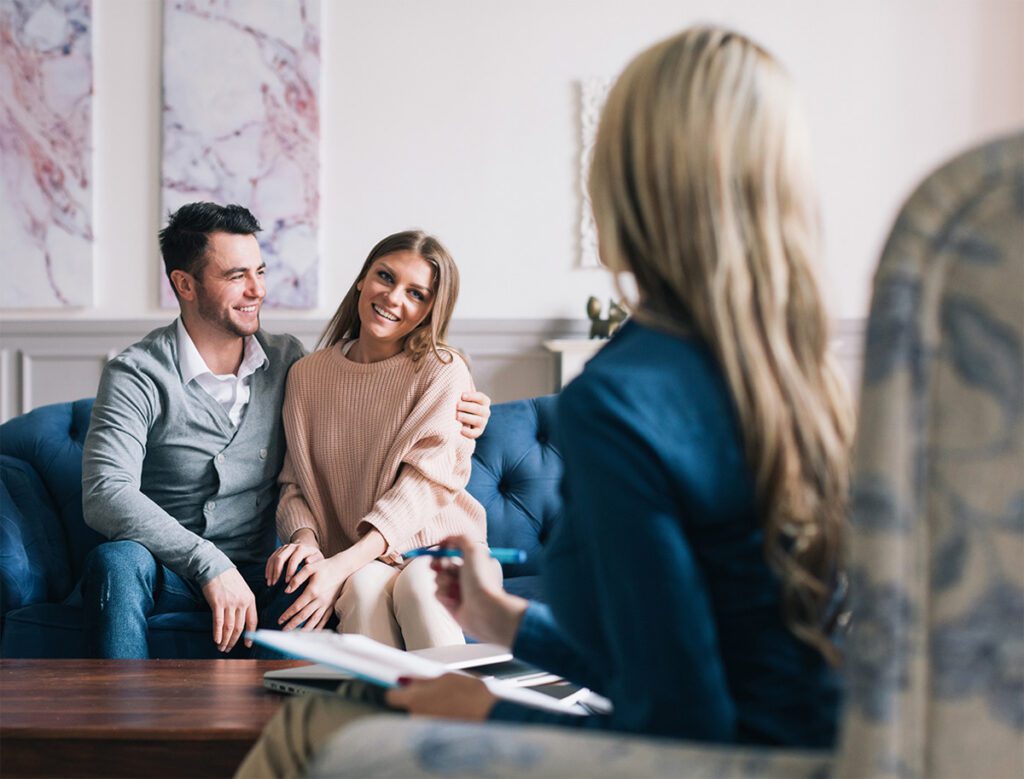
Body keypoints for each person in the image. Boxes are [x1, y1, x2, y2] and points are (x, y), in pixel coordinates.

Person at [237, 24, 854, 775]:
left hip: (714, 759)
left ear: (624, 186)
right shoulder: (799, 372)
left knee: (312, 728)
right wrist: (499, 618)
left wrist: (490, 709)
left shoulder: (622, 397)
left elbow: (680, 719)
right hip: (820, 749)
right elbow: (688, 651)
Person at [80, 203, 491, 658]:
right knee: (116, 560)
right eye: (237, 276)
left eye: (260, 271)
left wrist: (468, 414)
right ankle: (121, 723)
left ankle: (318, 721)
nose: (257, 290)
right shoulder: (139, 373)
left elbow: (393, 435)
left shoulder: (285, 362)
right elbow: (106, 492)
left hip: (273, 573)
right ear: (185, 284)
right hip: (170, 569)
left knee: (345, 584)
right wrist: (214, 562)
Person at [263, 230, 486, 650]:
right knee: (362, 590)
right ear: (363, 279)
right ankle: (383, 715)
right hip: (365, 561)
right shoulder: (307, 375)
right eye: (386, 277)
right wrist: (307, 544)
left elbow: (423, 488)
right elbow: (295, 483)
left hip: (441, 548)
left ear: (430, 311)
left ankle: (459, 714)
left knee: (421, 584)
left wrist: (339, 566)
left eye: (416, 293)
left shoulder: (443, 370)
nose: (393, 298)